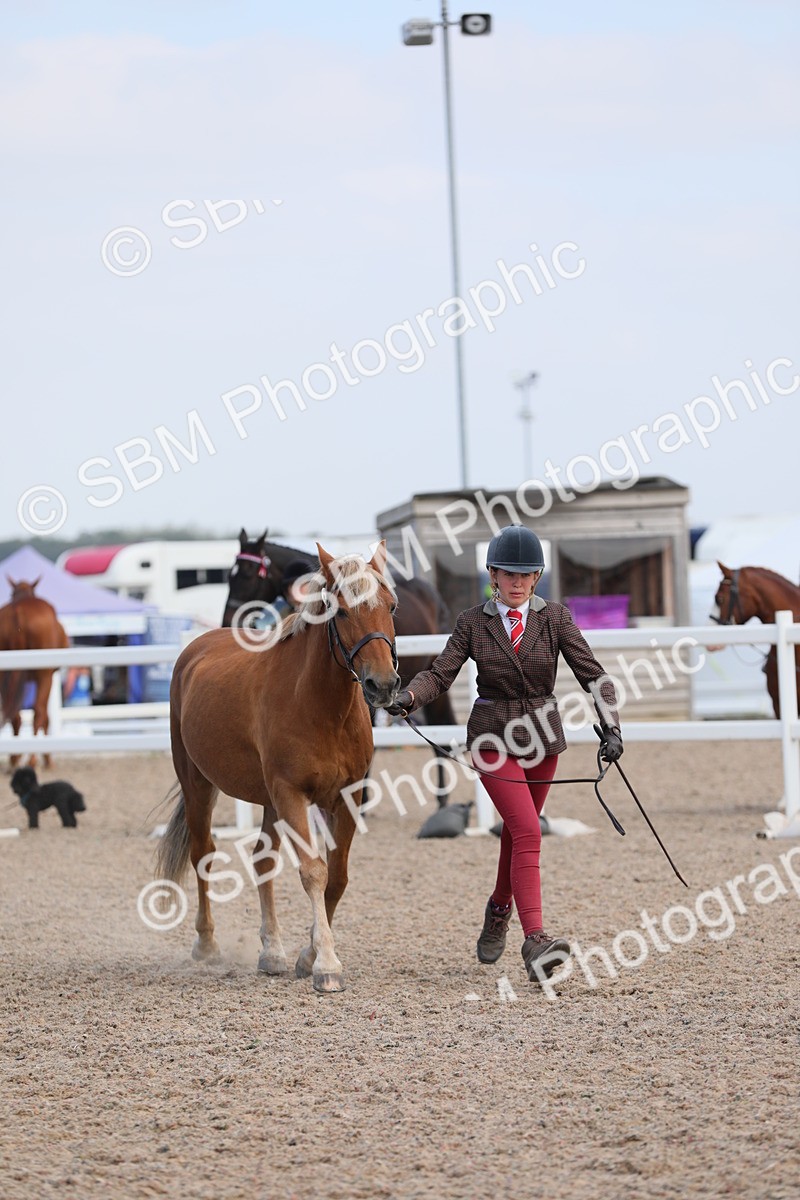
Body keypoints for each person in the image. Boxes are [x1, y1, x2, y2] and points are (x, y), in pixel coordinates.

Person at [386, 525, 623, 984]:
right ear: (492, 574)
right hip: (493, 740)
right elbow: (440, 673)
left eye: (525, 574)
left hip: (542, 741)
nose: (516, 582)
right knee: (528, 830)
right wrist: (410, 697)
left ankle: (498, 909)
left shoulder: (555, 619)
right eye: (507, 574)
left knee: (517, 834)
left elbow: (595, 675)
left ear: (536, 576)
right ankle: (535, 939)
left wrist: (612, 726)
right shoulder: (472, 622)